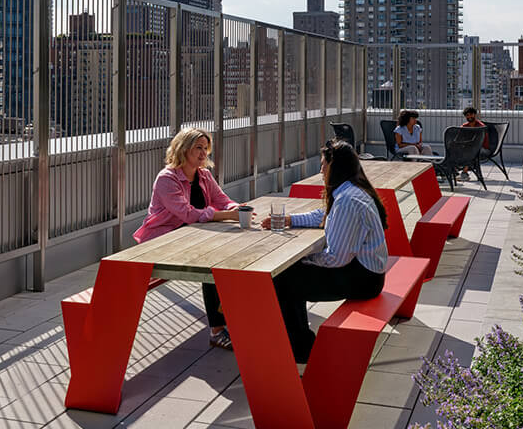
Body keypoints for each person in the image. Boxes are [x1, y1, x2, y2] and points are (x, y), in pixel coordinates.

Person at [264, 140, 389, 365]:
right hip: (369, 273)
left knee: (283, 280)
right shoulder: (351, 190)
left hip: (363, 280)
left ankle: (301, 349)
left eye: (323, 164)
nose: (321, 170)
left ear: (335, 166)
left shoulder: (347, 200)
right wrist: (289, 220)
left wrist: (302, 259)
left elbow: (336, 258)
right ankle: (298, 342)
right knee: (290, 275)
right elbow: (322, 216)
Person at [136, 127, 246, 349]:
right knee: (214, 266)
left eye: (206, 148)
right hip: (163, 242)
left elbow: (221, 199)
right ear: (183, 148)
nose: (203, 153)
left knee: (234, 259)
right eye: (198, 148)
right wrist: (225, 215)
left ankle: (234, 319)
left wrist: (238, 208)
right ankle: (217, 330)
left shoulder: (203, 175)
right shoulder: (167, 178)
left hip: (191, 238)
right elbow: (187, 213)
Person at [458, 107, 486, 180]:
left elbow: (482, 141)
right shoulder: (464, 126)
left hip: (482, 148)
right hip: (469, 148)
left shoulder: (481, 126)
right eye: (467, 115)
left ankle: (464, 172)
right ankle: (455, 171)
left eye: (471, 114)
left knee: (469, 151)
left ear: (475, 115)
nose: (469, 116)